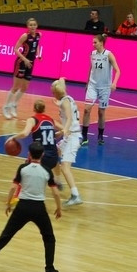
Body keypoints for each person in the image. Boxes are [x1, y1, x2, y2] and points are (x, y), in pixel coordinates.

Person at [0, 141, 62, 272]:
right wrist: (59, 208)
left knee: (5, 236)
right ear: (42, 154)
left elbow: (13, 187)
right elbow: (56, 193)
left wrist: (8, 203)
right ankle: (49, 269)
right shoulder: (46, 171)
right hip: (39, 208)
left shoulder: (22, 168)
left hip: (22, 207)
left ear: (29, 154)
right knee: (49, 238)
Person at [6, 99, 64, 188]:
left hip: (40, 158)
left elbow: (25, 133)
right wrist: (56, 134)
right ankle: (58, 180)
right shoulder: (51, 119)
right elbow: (64, 129)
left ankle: (18, 188)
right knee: (55, 155)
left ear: (34, 109)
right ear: (44, 109)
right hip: (53, 158)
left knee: (22, 170)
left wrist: (13, 137)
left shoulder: (32, 119)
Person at [81, 34, 120, 147]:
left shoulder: (108, 54)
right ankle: (84, 136)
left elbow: (118, 70)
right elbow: (91, 68)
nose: (93, 44)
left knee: (101, 112)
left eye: (95, 42)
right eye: (92, 42)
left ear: (101, 43)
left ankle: (100, 135)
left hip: (105, 87)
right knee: (87, 109)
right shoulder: (92, 54)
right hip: (92, 85)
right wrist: (87, 82)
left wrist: (114, 83)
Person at [1, 17, 41, 119]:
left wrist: (38, 54)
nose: (32, 26)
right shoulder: (25, 36)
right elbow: (15, 49)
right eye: (30, 25)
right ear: (27, 26)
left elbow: (37, 45)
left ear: (37, 26)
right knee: (16, 87)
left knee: (25, 87)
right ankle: (6, 107)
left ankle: (14, 104)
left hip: (31, 63)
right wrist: (25, 59)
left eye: (34, 25)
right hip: (21, 63)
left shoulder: (38, 35)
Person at [52, 78, 82, 206]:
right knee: (54, 153)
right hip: (69, 135)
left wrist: (64, 130)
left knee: (65, 166)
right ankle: (57, 180)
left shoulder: (65, 101)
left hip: (73, 136)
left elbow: (69, 118)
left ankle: (76, 195)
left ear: (56, 92)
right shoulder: (66, 99)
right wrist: (63, 131)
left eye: (53, 92)